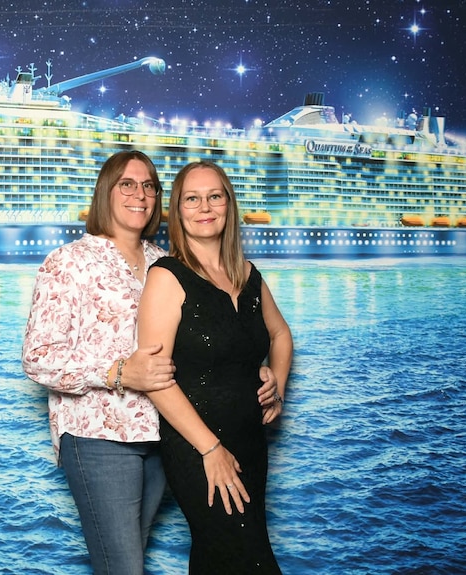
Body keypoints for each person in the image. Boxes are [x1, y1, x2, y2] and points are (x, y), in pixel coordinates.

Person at [21, 150, 178, 575]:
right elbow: (38, 359)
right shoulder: (68, 261)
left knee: (124, 563)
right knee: (124, 569)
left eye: (148, 186)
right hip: (98, 436)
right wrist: (118, 372)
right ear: (106, 191)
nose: (139, 195)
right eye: (127, 184)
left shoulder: (168, 264)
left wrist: (253, 369)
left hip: (164, 437)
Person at [138, 160, 293, 574]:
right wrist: (210, 449)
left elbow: (280, 335)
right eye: (192, 198)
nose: (204, 206)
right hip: (198, 449)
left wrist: (276, 380)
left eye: (214, 196)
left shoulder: (248, 274)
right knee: (248, 559)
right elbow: (155, 381)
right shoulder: (166, 277)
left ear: (229, 204)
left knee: (217, 560)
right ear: (177, 209)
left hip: (249, 442)